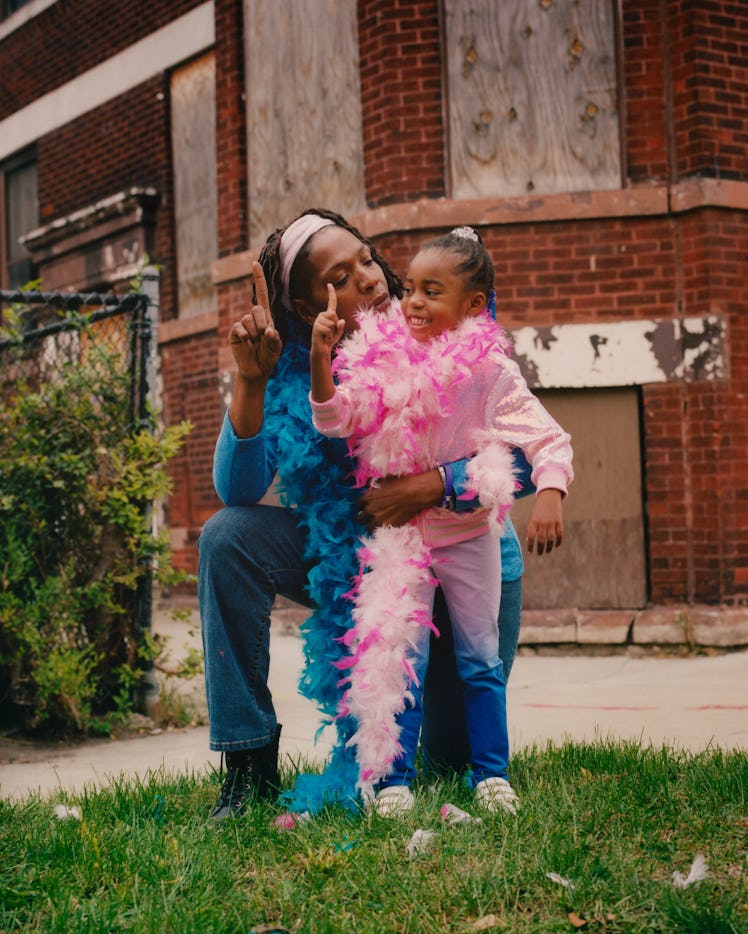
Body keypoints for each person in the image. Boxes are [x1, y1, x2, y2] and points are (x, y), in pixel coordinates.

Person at [198, 209, 559, 821]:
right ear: (308, 305)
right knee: (227, 537)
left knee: (450, 757)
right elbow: (236, 490)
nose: (369, 278)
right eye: (339, 275)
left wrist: (433, 484)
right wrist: (250, 383)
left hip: (462, 556)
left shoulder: (436, 322)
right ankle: (247, 763)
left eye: (366, 258)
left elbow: (525, 457)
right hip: (360, 559)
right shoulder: (290, 370)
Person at [308, 227, 573, 816]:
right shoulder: (388, 358)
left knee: (482, 658)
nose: (414, 302)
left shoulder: (490, 373)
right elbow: (335, 418)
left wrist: (551, 493)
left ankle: (492, 775)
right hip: (404, 542)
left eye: (433, 291)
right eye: (412, 290)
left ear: (474, 306)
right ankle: (394, 780)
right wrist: (321, 362)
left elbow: (546, 439)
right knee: (405, 659)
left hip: (471, 536)